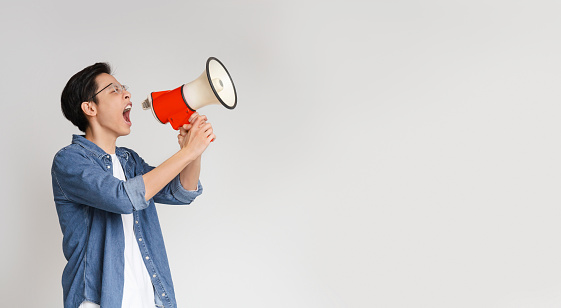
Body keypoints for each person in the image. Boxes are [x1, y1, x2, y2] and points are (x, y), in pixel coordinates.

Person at [51, 62, 214, 308]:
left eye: (124, 88)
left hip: (149, 300)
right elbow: (123, 199)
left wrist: (193, 151)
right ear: (89, 107)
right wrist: (187, 153)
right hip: (99, 301)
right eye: (113, 90)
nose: (127, 94)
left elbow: (182, 192)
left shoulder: (130, 161)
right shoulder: (70, 160)